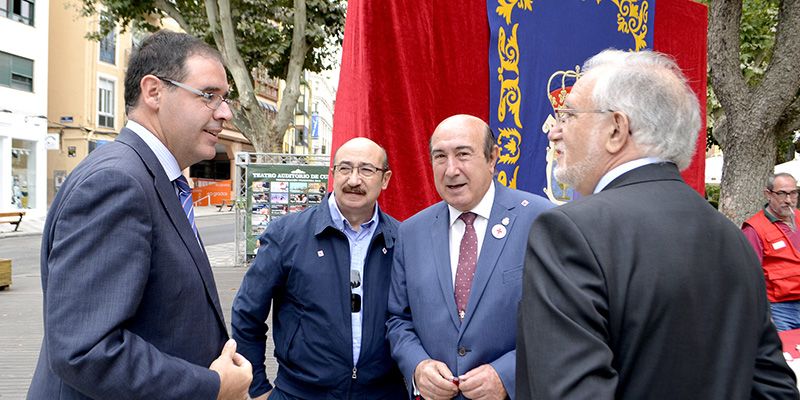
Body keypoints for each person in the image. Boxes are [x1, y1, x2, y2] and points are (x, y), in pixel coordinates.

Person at [516, 49, 798, 399]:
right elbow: (775, 389)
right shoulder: (732, 237)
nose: (555, 131)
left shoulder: (569, 233)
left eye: (569, 115)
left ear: (616, 129)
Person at [27, 30, 252, 400]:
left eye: (225, 99)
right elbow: (86, 351)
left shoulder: (145, 176)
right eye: (209, 95)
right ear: (153, 92)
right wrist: (213, 387)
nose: (225, 112)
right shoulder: (119, 183)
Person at [386, 114, 553, 400]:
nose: (451, 170)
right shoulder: (411, 232)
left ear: (492, 158)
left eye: (463, 154)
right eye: (440, 156)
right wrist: (418, 367)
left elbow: (561, 320)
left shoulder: (541, 221)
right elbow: (398, 319)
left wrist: (508, 375)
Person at [231, 137, 407, 399]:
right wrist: (257, 387)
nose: (354, 180)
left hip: (384, 393)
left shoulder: (402, 239)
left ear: (385, 179)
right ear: (333, 173)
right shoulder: (286, 234)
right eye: (345, 168)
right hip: (300, 393)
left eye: (366, 170)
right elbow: (247, 313)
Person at [743, 172, 800, 331]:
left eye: (793, 193)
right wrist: (764, 314)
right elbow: (749, 276)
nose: (788, 200)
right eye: (781, 193)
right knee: (784, 347)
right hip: (779, 309)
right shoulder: (754, 229)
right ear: (768, 194)